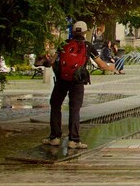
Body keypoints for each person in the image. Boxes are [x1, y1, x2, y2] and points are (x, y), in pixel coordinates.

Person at [43, 21, 114, 149]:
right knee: (74, 109)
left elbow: (52, 62)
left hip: (61, 80)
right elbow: (101, 65)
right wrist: (111, 67)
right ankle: (73, 140)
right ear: (85, 32)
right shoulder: (88, 46)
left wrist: (45, 61)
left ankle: (54, 137)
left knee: (55, 105)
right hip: (77, 81)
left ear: (73, 31)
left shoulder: (64, 44)